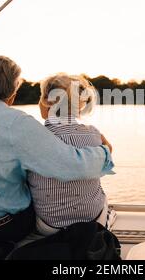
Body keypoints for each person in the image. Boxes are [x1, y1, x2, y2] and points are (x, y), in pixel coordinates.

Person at [0, 56, 114, 259]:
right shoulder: (16, 123)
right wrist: (105, 151)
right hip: (1, 229)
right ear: (13, 92)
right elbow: (72, 165)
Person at [28, 73, 113, 236]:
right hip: (93, 220)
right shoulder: (94, 134)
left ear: (46, 100)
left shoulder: (33, 137)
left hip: (49, 226)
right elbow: (107, 154)